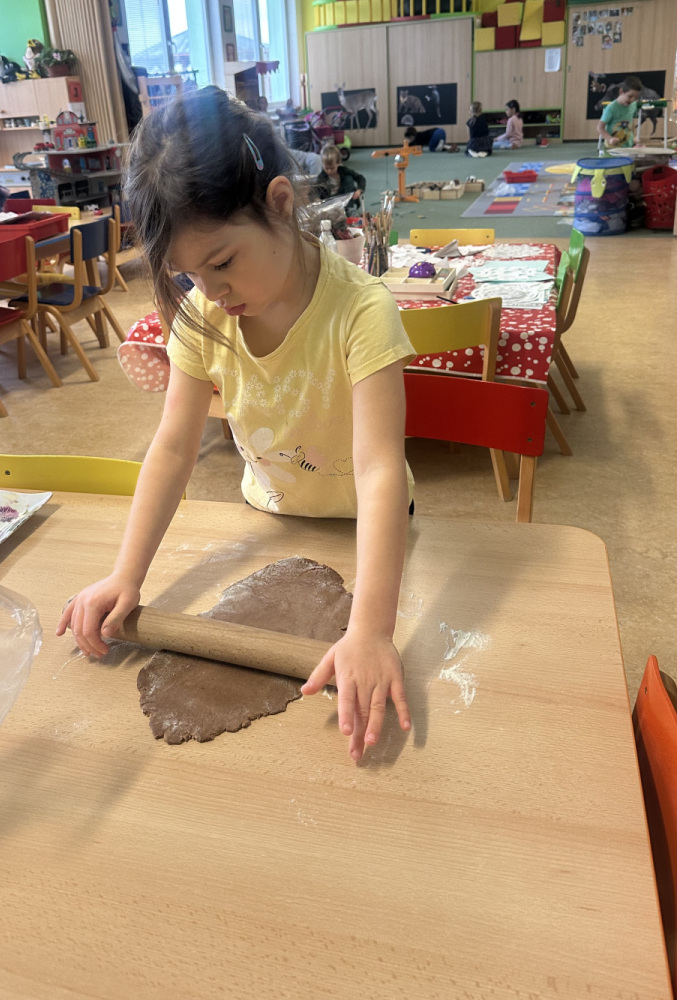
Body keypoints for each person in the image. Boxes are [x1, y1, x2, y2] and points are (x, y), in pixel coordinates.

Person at [58, 86, 415, 762]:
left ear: (279, 203)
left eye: (221, 263)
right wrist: (125, 576)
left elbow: (378, 470)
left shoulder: (361, 311)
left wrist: (371, 630)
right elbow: (172, 448)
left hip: (365, 529)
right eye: (188, 275)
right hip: (272, 520)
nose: (212, 291)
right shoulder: (204, 317)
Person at [314, 144, 366, 214]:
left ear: (338, 163)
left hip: (344, 199)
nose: (329, 171)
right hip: (331, 201)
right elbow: (313, 191)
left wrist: (359, 190)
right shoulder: (322, 177)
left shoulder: (343, 170)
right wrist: (317, 199)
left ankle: (349, 209)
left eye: (332, 168)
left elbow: (360, 178)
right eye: (326, 168)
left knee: (348, 179)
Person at [597, 76, 642, 147]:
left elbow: (631, 122)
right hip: (613, 147)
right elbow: (600, 128)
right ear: (621, 92)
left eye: (636, 98)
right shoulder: (611, 108)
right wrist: (610, 139)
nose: (632, 100)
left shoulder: (633, 105)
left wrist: (633, 137)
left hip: (628, 145)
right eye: (630, 96)